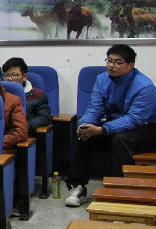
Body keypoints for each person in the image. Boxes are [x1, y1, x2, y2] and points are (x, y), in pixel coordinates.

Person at [65, 45, 156, 207]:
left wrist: (102, 129)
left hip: (146, 128)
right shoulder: (102, 79)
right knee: (85, 134)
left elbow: (134, 119)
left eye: (117, 62)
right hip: (115, 125)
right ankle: (78, 186)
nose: (111, 65)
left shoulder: (145, 86)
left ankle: (117, 189)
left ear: (130, 65)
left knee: (120, 139)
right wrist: (84, 125)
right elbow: (95, 107)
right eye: (109, 60)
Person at [2, 57, 52, 134]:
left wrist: (23, 127)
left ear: (24, 77)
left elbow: (44, 118)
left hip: (24, 134)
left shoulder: (38, 95)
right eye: (6, 75)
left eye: (14, 75)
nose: (9, 79)